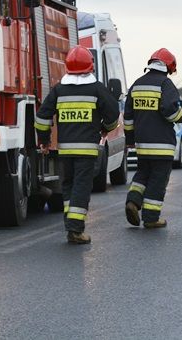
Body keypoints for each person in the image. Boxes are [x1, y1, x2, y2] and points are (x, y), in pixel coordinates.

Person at [35, 45, 120, 244]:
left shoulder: (59, 90)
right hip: (87, 150)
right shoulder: (97, 88)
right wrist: (105, 127)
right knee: (81, 186)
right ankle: (75, 229)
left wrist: (44, 140)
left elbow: (42, 117)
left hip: (65, 151)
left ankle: (70, 224)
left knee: (68, 185)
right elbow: (113, 114)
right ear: (90, 66)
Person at [124, 48, 182, 229]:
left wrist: (130, 139)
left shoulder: (137, 84)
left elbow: (128, 117)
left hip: (142, 144)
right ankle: (151, 218)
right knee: (158, 180)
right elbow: (170, 110)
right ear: (168, 66)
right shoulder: (165, 84)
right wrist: (180, 115)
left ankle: (133, 202)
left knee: (143, 174)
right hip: (162, 144)